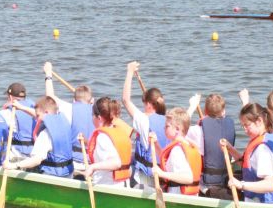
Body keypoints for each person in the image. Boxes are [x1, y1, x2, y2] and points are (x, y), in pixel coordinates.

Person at [223, 103, 273, 204]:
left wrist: (241, 185)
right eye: (243, 126)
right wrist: (230, 149)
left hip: (262, 203)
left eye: (247, 125)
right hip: (272, 200)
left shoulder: (263, 149)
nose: (245, 130)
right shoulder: (270, 136)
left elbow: (269, 185)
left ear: (259, 121)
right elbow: (247, 165)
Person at [122, 61, 169, 189]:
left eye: (144, 104)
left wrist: (130, 71)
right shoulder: (169, 121)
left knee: (124, 168)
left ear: (148, 104)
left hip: (146, 179)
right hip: (164, 174)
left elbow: (126, 100)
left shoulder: (143, 120)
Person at [42, 61, 94, 173]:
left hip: (74, 162)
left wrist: (48, 74)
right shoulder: (98, 112)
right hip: (92, 163)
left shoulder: (70, 108)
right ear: (91, 100)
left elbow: (50, 97)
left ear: (74, 100)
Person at [3, 96, 73, 177]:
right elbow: (42, 114)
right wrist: (22, 108)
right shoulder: (64, 122)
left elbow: (36, 160)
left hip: (51, 176)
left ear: (46, 113)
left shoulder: (45, 134)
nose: (36, 119)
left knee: (23, 165)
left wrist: (14, 165)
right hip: (68, 173)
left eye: (38, 115)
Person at [185, 93, 236, 198]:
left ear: (205, 111)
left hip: (205, 185)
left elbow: (181, 127)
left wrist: (192, 106)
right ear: (223, 111)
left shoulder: (197, 131)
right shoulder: (230, 125)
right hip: (225, 179)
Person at [84, 97, 133, 187]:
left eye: (92, 115)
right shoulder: (119, 131)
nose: (92, 118)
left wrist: (92, 167)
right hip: (123, 184)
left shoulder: (102, 137)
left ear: (99, 118)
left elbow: (116, 162)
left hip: (109, 186)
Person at [153, 108, 203, 195]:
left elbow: (188, 178)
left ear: (177, 129)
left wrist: (162, 174)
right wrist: (156, 144)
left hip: (178, 197)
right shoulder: (187, 144)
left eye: (167, 126)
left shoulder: (177, 150)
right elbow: (168, 160)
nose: (164, 128)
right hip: (191, 196)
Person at [0, 82, 36, 159]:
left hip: (18, 154)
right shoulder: (35, 108)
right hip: (34, 153)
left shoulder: (7, 113)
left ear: (10, 97)